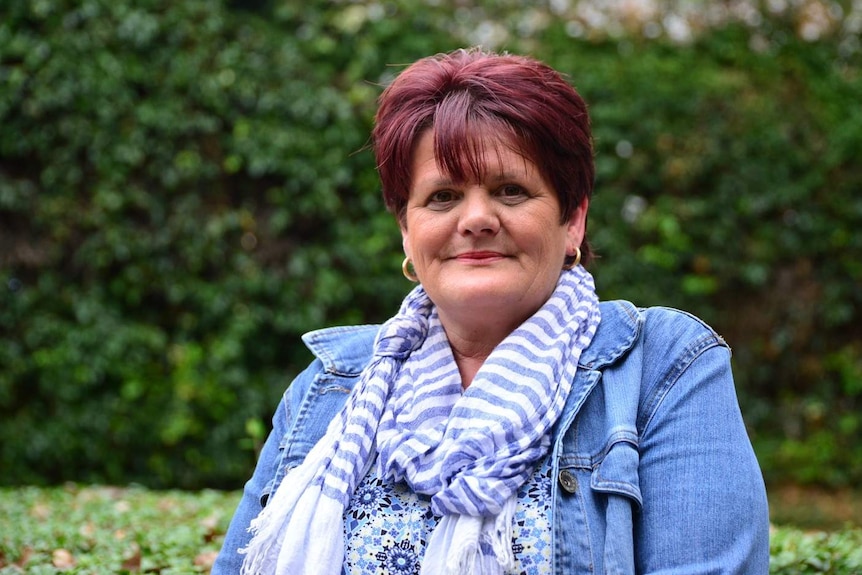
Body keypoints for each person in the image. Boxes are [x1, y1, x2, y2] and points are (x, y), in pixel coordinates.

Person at [213, 48, 769, 575]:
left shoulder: (665, 369)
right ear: (407, 232)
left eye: (509, 190)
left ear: (573, 219)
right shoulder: (329, 386)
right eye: (442, 197)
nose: (475, 218)